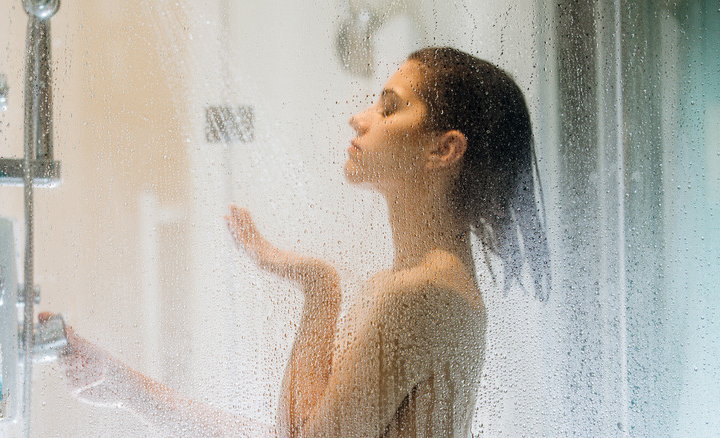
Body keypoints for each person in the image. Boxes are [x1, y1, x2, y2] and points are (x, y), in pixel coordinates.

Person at [43, 46, 548, 438]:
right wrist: (127, 388)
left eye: (389, 108)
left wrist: (320, 288)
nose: (360, 117)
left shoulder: (416, 296)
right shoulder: (442, 285)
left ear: (443, 149)